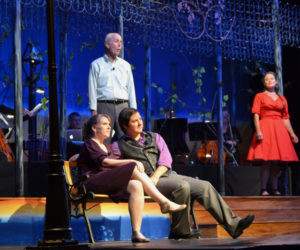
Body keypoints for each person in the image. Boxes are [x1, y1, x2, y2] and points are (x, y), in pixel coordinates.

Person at [112, 107, 255, 240]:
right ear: (125, 126)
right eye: (134, 121)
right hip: (145, 182)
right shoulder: (118, 145)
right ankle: (180, 231)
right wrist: (145, 178)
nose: (139, 123)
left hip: (164, 176)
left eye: (140, 119)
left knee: (204, 186)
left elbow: (166, 160)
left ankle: (233, 225)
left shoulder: (155, 137)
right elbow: (117, 169)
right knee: (182, 186)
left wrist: (156, 176)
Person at [77, 114, 186, 243]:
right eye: (105, 124)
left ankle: (136, 232)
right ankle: (163, 202)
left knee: (136, 185)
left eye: (109, 124)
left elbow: (111, 165)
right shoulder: (90, 143)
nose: (108, 127)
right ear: (94, 128)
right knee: (133, 166)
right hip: (92, 182)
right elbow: (104, 163)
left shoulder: (107, 147)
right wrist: (131, 161)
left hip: (106, 181)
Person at [247, 71, 299, 196]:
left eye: (271, 79)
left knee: (276, 161)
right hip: (266, 128)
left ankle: (275, 188)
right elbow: (256, 115)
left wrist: (292, 134)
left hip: (279, 130)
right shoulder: (260, 96)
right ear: (264, 83)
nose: (269, 81)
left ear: (276, 81)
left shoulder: (282, 99)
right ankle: (263, 188)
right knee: (266, 160)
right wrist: (258, 131)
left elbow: (285, 118)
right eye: (266, 80)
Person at [88, 33, 137, 141]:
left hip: (123, 106)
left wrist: (133, 110)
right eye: (116, 41)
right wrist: (93, 110)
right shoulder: (96, 64)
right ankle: (104, 158)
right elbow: (92, 88)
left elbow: (131, 88)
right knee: (103, 139)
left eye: (121, 42)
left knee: (126, 140)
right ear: (107, 44)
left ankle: (127, 158)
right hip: (104, 105)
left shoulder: (125, 65)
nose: (119, 45)